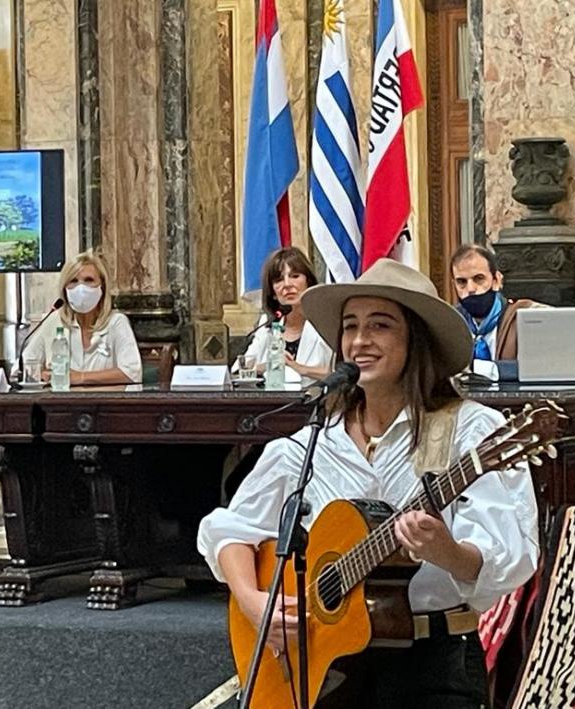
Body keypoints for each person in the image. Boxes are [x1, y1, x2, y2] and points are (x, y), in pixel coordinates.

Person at [198, 258, 539, 707]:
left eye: (380, 326)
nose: (360, 341)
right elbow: (231, 530)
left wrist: (445, 551)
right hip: (330, 669)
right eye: (351, 326)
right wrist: (252, 601)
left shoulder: (474, 432)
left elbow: (510, 559)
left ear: (417, 339)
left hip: (434, 662)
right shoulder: (315, 443)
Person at [19, 250, 142, 385]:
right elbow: (25, 364)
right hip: (60, 404)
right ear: (64, 289)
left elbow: (133, 372)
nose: (81, 287)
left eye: (89, 280)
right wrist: (41, 374)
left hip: (104, 403)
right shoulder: (54, 321)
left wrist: (79, 377)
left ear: (103, 287)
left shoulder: (116, 322)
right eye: (73, 281)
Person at [238, 247, 333, 384]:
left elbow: (342, 373)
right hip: (274, 403)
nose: (287, 285)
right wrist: (269, 366)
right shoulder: (267, 325)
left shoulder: (326, 322)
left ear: (309, 283)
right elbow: (241, 368)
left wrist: (298, 368)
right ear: (273, 294)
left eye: (295, 276)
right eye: (279, 280)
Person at [450, 244, 537, 363]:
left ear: (497, 280)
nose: (470, 288)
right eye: (461, 282)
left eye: (479, 278)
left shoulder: (524, 317)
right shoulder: (450, 325)